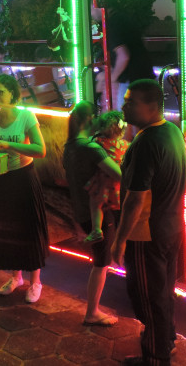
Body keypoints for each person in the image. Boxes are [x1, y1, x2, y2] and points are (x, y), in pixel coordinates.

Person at [111, 79, 186, 366]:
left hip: (146, 234)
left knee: (148, 299)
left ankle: (156, 358)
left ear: (152, 106)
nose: (124, 107)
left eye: (131, 102)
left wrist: (120, 240)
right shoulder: (172, 131)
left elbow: (135, 199)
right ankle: (166, 342)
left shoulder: (146, 143)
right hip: (171, 227)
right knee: (163, 293)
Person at [0, 74, 49, 303]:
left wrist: (9, 144)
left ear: (12, 93)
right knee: (7, 229)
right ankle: (15, 277)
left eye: (0, 92)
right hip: (0, 179)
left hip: (23, 178)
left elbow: (40, 150)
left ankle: (35, 282)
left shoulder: (26, 116)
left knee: (29, 228)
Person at [62, 101, 121, 326]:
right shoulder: (91, 148)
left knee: (101, 260)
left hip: (82, 211)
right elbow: (119, 175)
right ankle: (92, 312)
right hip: (99, 212)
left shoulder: (70, 146)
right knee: (100, 264)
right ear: (89, 119)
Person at [91, 2, 154, 110]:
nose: (91, 14)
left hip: (131, 81)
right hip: (145, 76)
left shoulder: (112, 24)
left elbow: (123, 56)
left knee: (125, 115)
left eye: (91, 9)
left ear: (98, 5)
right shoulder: (123, 18)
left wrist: (112, 77)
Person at [83, 110, 128, 244]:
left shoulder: (98, 142)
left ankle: (96, 229)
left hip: (102, 181)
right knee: (119, 211)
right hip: (117, 185)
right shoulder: (124, 144)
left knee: (96, 203)